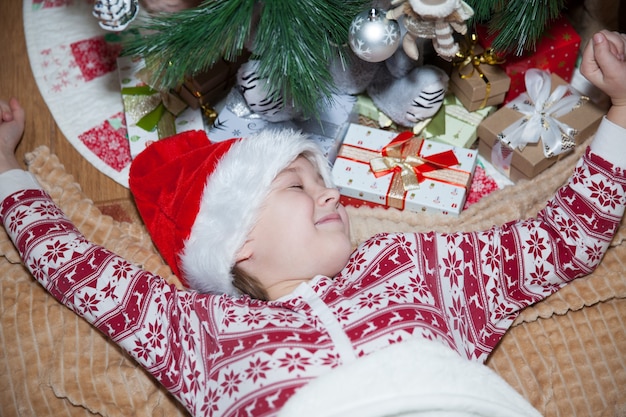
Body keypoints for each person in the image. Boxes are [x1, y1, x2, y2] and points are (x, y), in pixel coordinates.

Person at [1, 30, 625, 417]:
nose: (332, 197)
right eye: (298, 185)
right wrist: (6, 172)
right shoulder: (200, 328)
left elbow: (557, 238)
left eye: (323, 183)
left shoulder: (418, 267)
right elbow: (76, 270)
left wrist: (621, 115)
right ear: (237, 240)